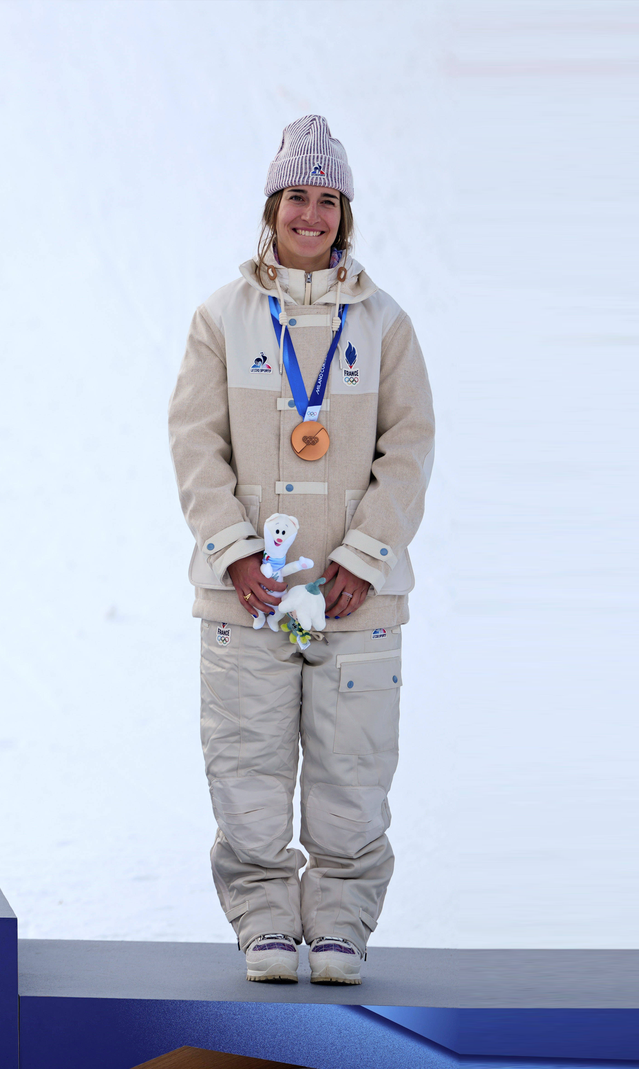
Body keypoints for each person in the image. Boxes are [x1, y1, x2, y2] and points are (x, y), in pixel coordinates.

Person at [167, 116, 434, 984]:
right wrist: (235, 553)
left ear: (345, 214)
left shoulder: (384, 323)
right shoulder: (222, 318)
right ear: (271, 207)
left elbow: (410, 448)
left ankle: (341, 927)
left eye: (327, 199)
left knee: (353, 777)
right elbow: (195, 445)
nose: (310, 215)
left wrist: (364, 556)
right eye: (295, 197)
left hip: (358, 600)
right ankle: (266, 925)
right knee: (245, 772)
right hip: (249, 598)